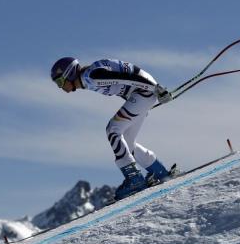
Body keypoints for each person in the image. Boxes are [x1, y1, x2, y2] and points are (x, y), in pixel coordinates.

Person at [50, 57, 175, 200]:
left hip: (144, 91)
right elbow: (122, 84)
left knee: (113, 129)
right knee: (127, 142)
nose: (61, 88)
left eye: (59, 82)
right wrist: (140, 104)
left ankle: (134, 179)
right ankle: (160, 172)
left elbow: (128, 78)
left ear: (69, 74)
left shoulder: (93, 76)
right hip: (141, 94)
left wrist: (157, 90)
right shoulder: (88, 78)